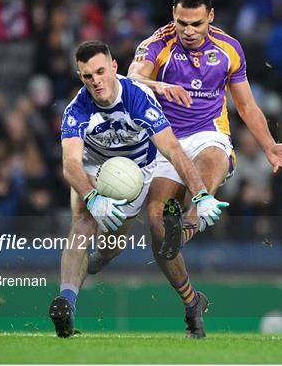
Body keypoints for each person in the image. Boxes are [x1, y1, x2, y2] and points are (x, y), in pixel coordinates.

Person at [88, 0, 282, 338]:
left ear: (210, 17)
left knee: (214, 156)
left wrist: (268, 145)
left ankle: (190, 217)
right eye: (182, 22)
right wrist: (160, 86)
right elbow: (133, 77)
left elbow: (246, 105)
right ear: (174, 15)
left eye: (196, 23)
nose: (188, 31)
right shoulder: (156, 44)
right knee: (156, 218)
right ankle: (191, 300)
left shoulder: (229, 49)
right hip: (164, 140)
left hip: (208, 133)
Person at [49, 40, 228, 338]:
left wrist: (201, 194)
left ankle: (98, 261)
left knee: (112, 248)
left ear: (114, 67)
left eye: (100, 72)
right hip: (94, 170)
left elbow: (173, 149)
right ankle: (66, 303)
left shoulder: (138, 98)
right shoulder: (77, 109)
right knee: (82, 222)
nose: (95, 81)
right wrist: (92, 197)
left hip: (136, 174)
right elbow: (70, 164)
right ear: (80, 77)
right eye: (86, 76)